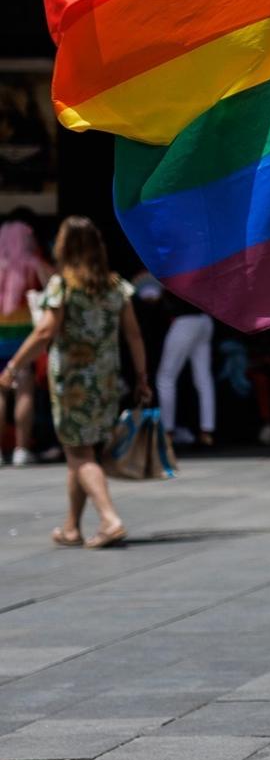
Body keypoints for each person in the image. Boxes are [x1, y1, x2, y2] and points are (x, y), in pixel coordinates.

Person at [0, 217, 149, 548]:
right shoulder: (116, 286)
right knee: (80, 452)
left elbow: (44, 332)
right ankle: (71, 527)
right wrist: (141, 377)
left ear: (63, 247)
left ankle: (109, 519)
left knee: (80, 454)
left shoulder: (63, 286)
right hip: (107, 381)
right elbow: (134, 335)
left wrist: (13, 365)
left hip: (73, 383)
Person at [0, 218, 53, 465]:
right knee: (24, 391)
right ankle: (21, 449)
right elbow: (55, 288)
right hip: (24, 339)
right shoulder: (35, 265)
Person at [155, 294, 215, 448]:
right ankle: (206, 431)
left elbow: (151, 295)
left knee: (165, 378)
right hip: (204, 319)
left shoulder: (173, 271)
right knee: (203, 378)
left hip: (185, 320)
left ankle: (167, 431)